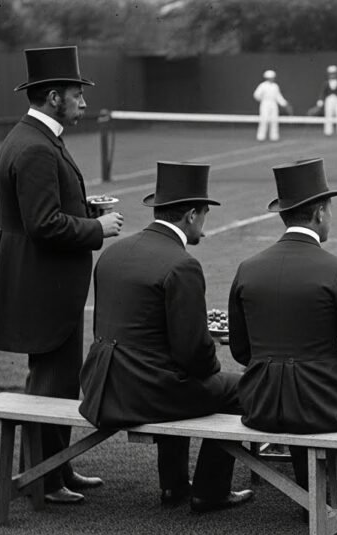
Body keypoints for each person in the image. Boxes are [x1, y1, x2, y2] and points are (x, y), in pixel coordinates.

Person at [0, 46, 124, 504]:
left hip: (45, 283)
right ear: (54, 97)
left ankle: (56, 469)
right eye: (77, 94)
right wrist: (97, 227)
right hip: (42, 285)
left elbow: (44, 212)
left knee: (58, 381)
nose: (84, 102)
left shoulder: (36, 137)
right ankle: (44, 480)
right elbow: (43, 225)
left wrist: (83, 210)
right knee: (49, 384)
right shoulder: (36, 147)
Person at [229, 158, 337, 529]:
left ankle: (310, 501)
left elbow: (240, 350)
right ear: (320, 212)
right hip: (319, 404)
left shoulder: (247, 267)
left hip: (260, 403)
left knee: (298, 395)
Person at [78, 162, 252, 513]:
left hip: (99, 387)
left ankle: (174, 485)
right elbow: (194, 354)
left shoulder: (113, 252)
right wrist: (212, 365)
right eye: (204, 214)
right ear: (191, 215)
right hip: (145, 394)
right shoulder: (181, 264)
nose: (204, 223)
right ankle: (211, 491)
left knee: (176, 374)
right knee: (243, 388)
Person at [254, 69, 289, 142]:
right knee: (264, 120)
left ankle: (274, 136)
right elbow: (256, 95)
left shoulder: (275, 86)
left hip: (273, 104)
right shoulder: (262, 85)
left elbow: (278, 96)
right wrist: (263, 100)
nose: (272, 79)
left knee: (274, 120)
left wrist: (284, 103)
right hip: (265, 104)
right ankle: (261, 136)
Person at [316, 65, 337, 136]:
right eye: (331, 74)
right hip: (329, 100)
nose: (332, 75)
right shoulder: (326, 84)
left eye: (334, 74)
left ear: (336, 74)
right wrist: (320, 100)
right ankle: (328, 131)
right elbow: (323, 92)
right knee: (328, 114)